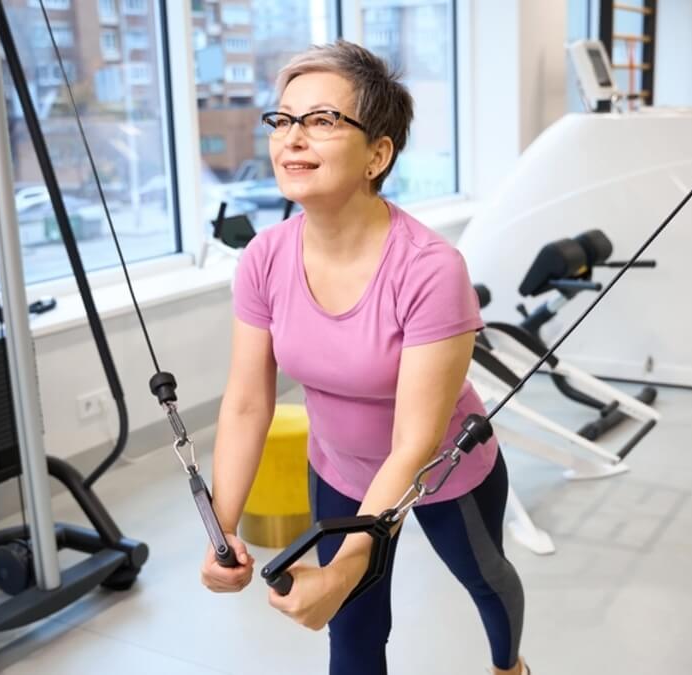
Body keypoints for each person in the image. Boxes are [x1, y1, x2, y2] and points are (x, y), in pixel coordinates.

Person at [199, 40, 528, 675]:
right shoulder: (265, 258)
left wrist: (345, 563)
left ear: (378, 154)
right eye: (283, 119)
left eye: (321, 121)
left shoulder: (431, 269)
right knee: (353, 630)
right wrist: (222, 529)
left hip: (440, 471)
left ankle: (510, 665)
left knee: (487, 581)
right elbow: (246, 404)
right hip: (340, 470)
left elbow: (413, 441)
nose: (292, 138)